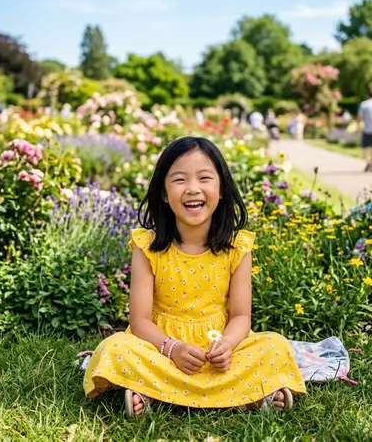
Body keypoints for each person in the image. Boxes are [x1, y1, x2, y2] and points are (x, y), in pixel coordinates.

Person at [83, 137, 306, 416]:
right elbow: (139, 320)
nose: (192, 189)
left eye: (204, 178)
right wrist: (171, 348)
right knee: (114, 348)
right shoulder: (147, 246)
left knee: (275, 346)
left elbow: (240, 316)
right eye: (179, 180)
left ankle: (159, 392)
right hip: (162, 347)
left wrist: (225, 346)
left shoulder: (237, 247)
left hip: (219, 351)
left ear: (222, 188)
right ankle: (243, 395)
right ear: (164, 193)